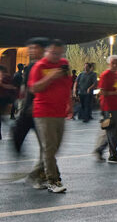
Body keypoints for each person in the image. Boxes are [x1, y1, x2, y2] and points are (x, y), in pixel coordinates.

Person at [27, 39, 72, 193]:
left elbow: (67, 85)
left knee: (55, 147)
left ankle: (36, 174)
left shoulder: (64, 64)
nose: (56, 56)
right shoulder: (39, 66)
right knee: (49, 148)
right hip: (44, 112)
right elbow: (34, 88)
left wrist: (70, 104)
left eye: (59, 54)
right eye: (53, 53)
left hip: (60, 112)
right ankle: (53, 180)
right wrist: (51, 77)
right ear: (46, 51)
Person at [12, 38, 47, 156]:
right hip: (29, 108)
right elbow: (26, 87)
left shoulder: (47, 65)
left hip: (41, 108)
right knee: (18, 132)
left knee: (45, 141)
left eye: (35, 48)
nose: (31, 51)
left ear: (43, 49)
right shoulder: (31, 66)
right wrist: (23, 103)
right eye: (30, 48)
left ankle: (46, 163)